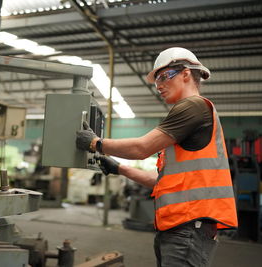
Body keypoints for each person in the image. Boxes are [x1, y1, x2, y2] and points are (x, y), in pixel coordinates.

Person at [76, 47, 238, 267]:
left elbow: (142, 148)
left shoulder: (193, 106)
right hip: (180, 227)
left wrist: (96, 143)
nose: (159, 85)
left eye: (163, 76)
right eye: (156, 81)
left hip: (188, 227)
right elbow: (161, 181)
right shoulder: (191, 115)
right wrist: (118, 168)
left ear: (186, 74)